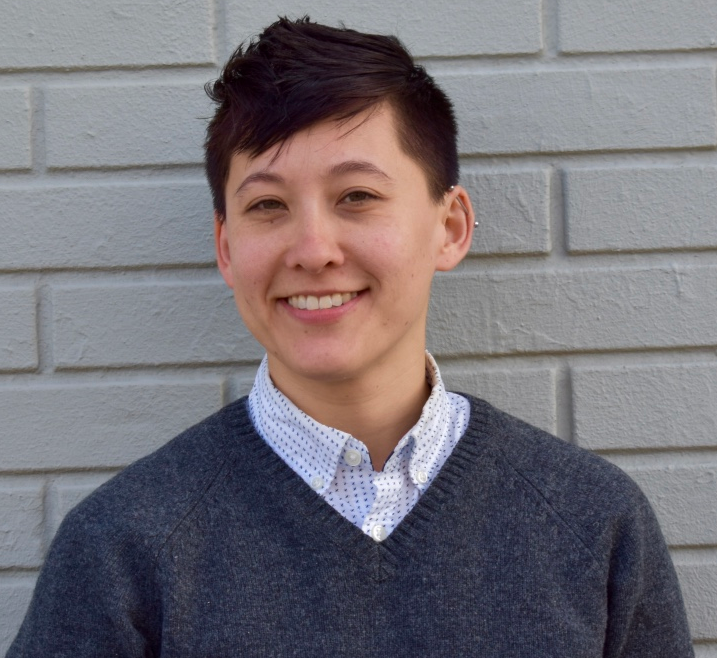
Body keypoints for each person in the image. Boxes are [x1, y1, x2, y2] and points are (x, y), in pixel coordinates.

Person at [9, 17, 693, 658]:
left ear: (449, 227)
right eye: (267, 205)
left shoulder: (591, 524)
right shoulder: (123, 549)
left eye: (356, 197)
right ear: (225, 248)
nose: (312, 249)